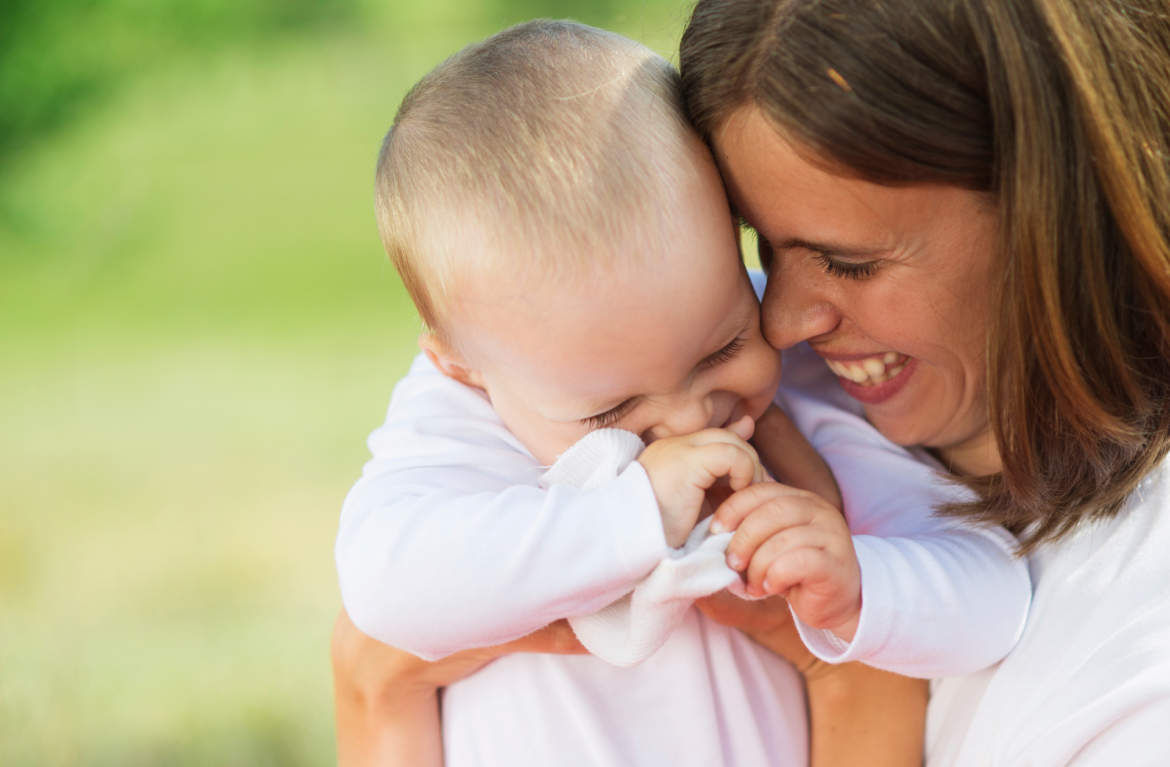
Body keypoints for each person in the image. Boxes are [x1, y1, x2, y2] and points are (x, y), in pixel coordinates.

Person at [334, 0, 1170, 764]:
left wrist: (859, 589)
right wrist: (631, 516)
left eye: (722, 340)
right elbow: (382, 593)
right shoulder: (463, 413)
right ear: (461, 362)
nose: (694, 417)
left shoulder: (800, 399)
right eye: (612, 410)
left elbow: (988, 593)